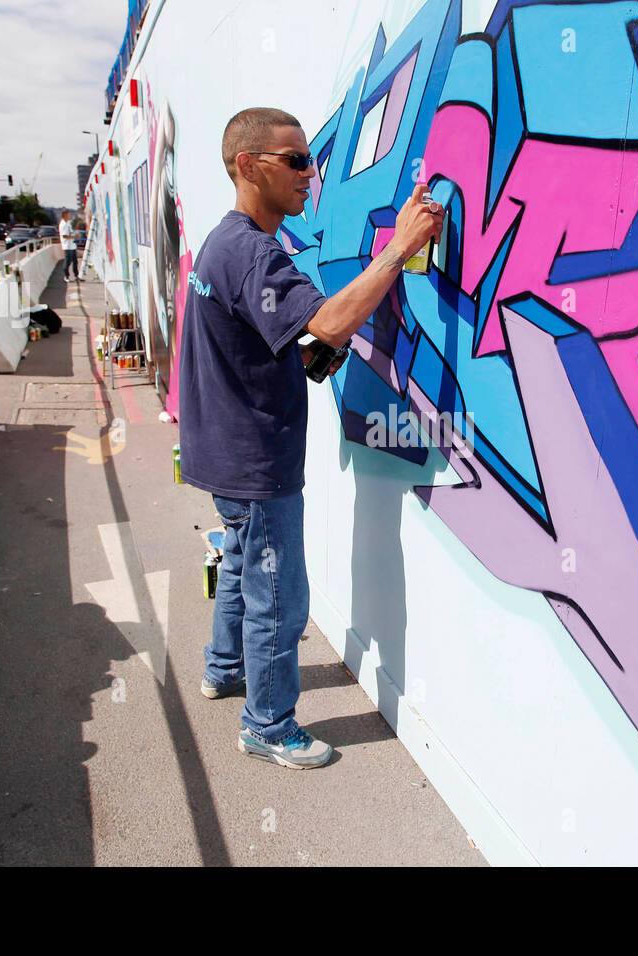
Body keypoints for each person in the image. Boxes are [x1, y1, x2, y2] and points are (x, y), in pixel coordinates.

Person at [179, 107, 443, 769]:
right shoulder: (253, 251)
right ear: (249, 165)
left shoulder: (225, 242)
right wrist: (398, 248)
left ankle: (223, 668)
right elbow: (325, 323)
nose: (312, 172)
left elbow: (281, 337)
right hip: (256, 457)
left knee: (240, 565)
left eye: (310, 158)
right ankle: (267, 725)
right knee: (280, 598)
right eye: (295, 160)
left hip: (221, 451)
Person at [59, 210, 78, 281]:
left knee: (75, 261)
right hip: (67, 246)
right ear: (64, 215)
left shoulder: (68, 223)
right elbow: (65, 236)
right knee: (68, 261)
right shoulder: (63, 224)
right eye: (67, 214)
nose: (69, 216)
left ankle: (76, 275)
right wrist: (74, 237)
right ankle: (66, 276)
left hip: (72, 245)